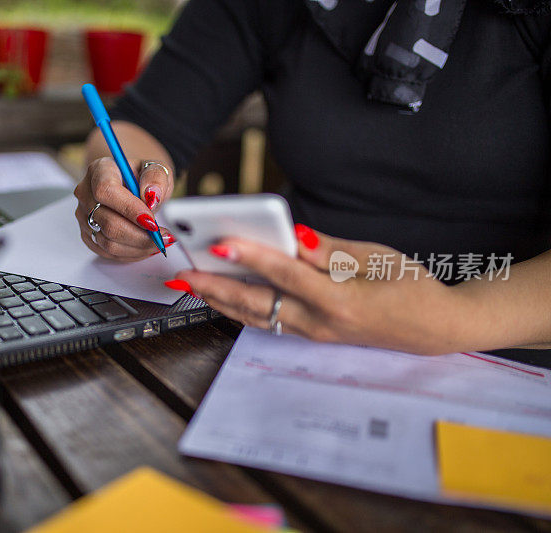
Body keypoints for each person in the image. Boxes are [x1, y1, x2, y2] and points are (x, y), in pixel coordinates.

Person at [73, 0, 551, 355]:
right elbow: (143, 123)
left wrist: (459, 321)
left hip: (507, 349)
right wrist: (123, 182)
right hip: (283, 334)